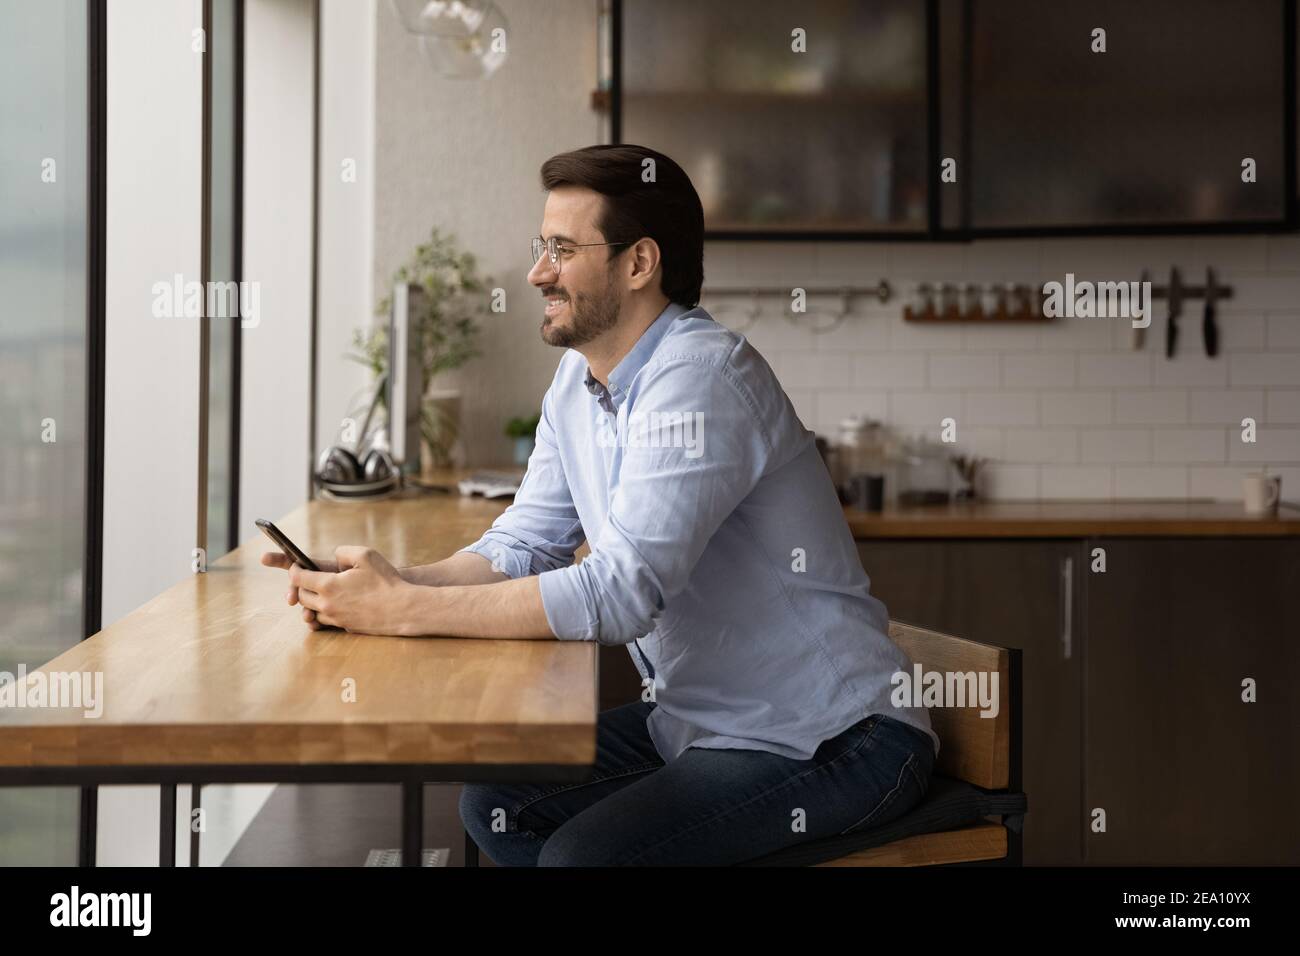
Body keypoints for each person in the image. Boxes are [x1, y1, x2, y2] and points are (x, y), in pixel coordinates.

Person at [263, 144, 938, 866]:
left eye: (560, 249)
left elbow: (622, 593)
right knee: (498, 803)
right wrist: (390, 583)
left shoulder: (701, 376)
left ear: (638, 263)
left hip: (832, 738)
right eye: (540, 246)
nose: (535, 273)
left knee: (581, 858)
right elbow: (525, 543)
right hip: (695, 723)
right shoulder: (577, 381)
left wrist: (402, 613)